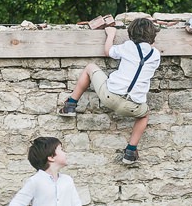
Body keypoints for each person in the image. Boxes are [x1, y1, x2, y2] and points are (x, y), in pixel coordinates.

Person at [58, 17, 161, 165]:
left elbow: (108, 51)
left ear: (131, 34)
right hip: (134, 106)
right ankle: (130, 151)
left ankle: (70, 104)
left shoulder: (128, 46)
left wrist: (110, 34)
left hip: (110, 95)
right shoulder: (156, 55)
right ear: (152, 36)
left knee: (90, 68)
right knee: (144, 116)